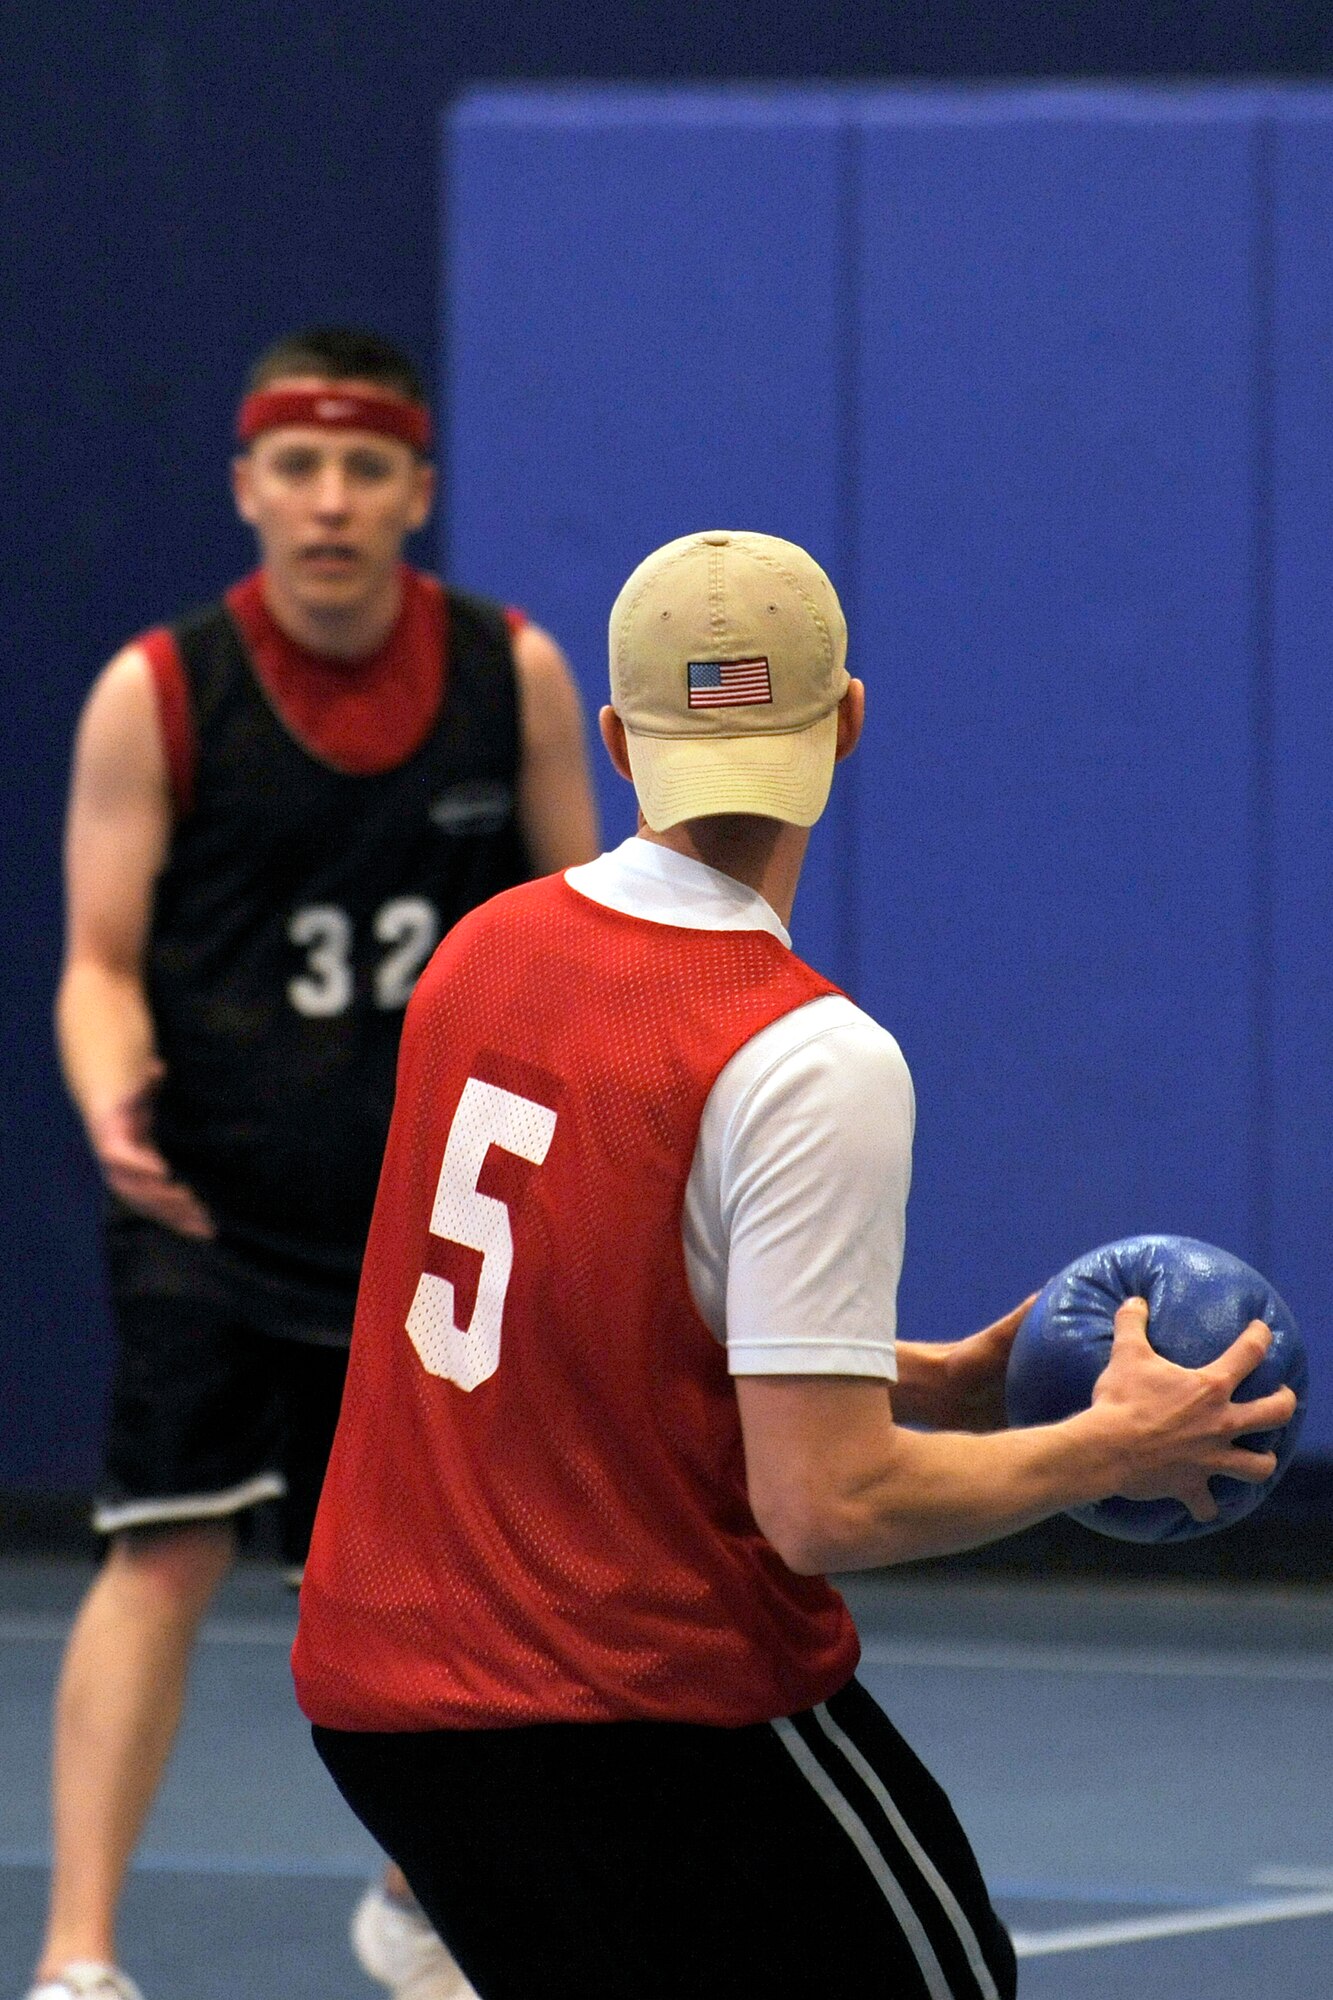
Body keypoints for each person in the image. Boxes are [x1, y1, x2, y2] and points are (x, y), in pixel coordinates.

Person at [291, 528, 1297, 2000]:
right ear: (847, 719)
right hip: (640, 1710)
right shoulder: (802, 1052)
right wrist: (1104, 1449)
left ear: (623, 744)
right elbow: (826, 1502)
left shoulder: (482, 954)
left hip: (387, 1711)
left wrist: (942, 1379)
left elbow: (580, 1321)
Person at [29, 327, 599, 2000]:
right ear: (245, 487)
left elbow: (589, 933)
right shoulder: (160, 689)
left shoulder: (518, 676)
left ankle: (421, 1898)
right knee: (166, 1549)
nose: (330, 501)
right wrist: (106, 1093)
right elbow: (97, 960)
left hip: (439, 1229)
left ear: (417, 490)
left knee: (458, 1590)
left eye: (365, 469)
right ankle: (77, 1960)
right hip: (211, 1210)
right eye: (297, 466)